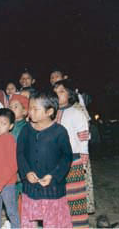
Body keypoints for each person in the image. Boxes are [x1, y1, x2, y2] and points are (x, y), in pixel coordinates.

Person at [17, 91, 73, 228]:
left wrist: (53, 175)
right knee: (29, 220)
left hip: (52, 187)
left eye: (35, 109)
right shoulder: (26, 130)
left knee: (53, 221)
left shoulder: (59, 132)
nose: (30, 112)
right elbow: (20, 153)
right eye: (30, 108)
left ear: (49, 111)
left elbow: (67, 156)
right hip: (31, 185)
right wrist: (27, 172)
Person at [54, 79, 92, 227]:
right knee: (58, 197)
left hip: (73, 161)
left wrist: (83, 158)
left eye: (61, 91)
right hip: (54, 162)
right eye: (55, 92)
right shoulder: (50, 114)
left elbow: (83, 137)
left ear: (70, 94)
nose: (58, 95)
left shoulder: (76, 113)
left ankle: (79, 225)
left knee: (75, 197)